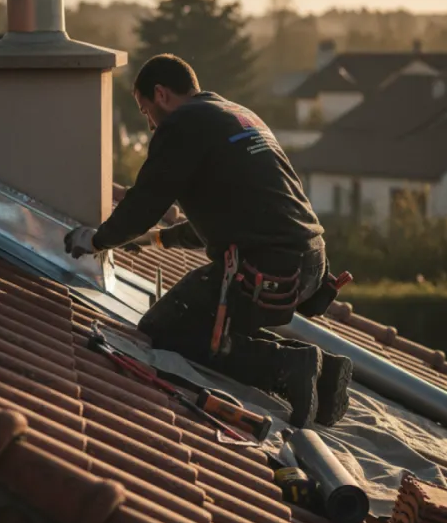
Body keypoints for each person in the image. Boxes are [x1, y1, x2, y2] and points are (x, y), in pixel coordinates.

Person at [64, 54, 351, 427]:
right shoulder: (232, 115)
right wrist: (151, 242)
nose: (150, 125)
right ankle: (326, 377)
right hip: (310, 264)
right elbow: (224, 214)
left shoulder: (182, 125)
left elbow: (146, 200)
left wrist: (98, 240)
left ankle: (289, 366)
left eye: (145, 111)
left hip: (269, 269)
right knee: (216, 317)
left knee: (165, 327)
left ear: (161, 94)